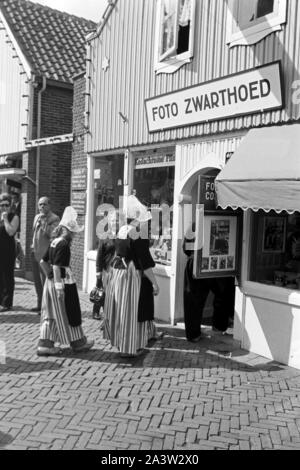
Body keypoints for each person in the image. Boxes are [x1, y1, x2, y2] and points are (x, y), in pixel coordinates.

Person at [103, 195, 160, 358]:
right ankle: (128, 348)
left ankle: (121, 342)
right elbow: (144, 262)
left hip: (118, 272)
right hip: (130, 274)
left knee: (121, 309)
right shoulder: (137, 233)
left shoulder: (121, 230)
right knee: (130, 311)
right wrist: (155, 283)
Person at [37, 207, 94, 356]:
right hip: (62, 283)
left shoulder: (54, 241)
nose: (74, 235)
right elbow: (57, 266)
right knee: (69, 311)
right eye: (73, 232)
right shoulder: (63, 245)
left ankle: (50, 343)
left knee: (53, 313)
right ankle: (77, 342)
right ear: (69, 231)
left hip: (53, 283)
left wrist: (49, 276)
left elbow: (43, 261)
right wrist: (58, 287)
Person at [183, 223, 234, 342]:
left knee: (193, 299)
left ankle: (193, 334)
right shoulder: (224, 222)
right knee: (223, 293)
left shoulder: (195, 225)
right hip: (217, 261)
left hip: (197, 261)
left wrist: (192, 255)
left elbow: (186, 247)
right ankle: (219, 326)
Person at [31, 197, 60, 313]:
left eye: (44, 204)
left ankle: (47, 307)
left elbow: (53, 235)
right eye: (40, 205)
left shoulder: (54, 218)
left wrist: (44, 223)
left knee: (46, 282)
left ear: (49, 205)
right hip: (35, 253)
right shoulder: (36, 217)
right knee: (37, 282)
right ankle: (39, 304)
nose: (41, 207)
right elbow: (34, 233)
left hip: (46, 256)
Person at [92, 211, 116, 320]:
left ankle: (109, 317)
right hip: (107, 269)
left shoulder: (122, 235)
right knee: (102, 291)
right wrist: (98, 272)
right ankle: (96, 311)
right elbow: (99, 255)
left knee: (111, 294)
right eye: (112, 221)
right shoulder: (105, 236)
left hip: (117, 270)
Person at [0, 193, 19, 312]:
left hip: (8, 251)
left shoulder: (14, 217)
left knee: (7, 276)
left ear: (10, 205)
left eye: (6, 205)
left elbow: (11, 232)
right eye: (1, 205)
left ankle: (7, 303)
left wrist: (5, 219)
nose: (4, 207)